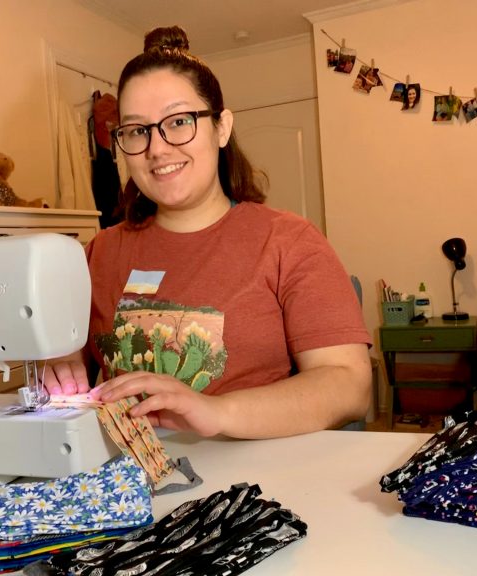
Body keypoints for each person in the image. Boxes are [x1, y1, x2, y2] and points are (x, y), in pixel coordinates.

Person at [44, 26, 372, 440]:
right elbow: (66, 349)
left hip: (251, 486)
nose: (157, 149)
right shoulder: (100, 251)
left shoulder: (288, 241)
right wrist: (62, 360)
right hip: (127, 478)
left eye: (179, 121)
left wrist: (214, 412)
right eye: (136, 130)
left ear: (221, 127)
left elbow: (348, 384)